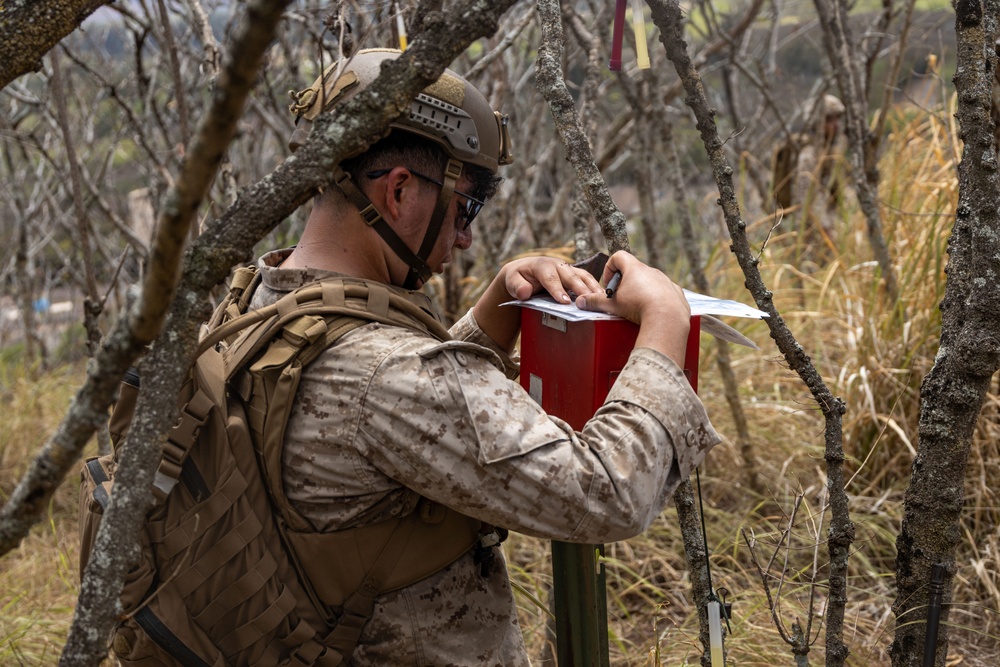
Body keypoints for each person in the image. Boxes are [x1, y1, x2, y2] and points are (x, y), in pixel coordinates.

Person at [251, 48, 720, 665]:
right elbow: (609, 492)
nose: (466, 236)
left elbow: (395, 430)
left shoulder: (265, 299)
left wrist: (496, 310)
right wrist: (665, 319)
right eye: (465, 208)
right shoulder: (387, 376)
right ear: (397, 191)